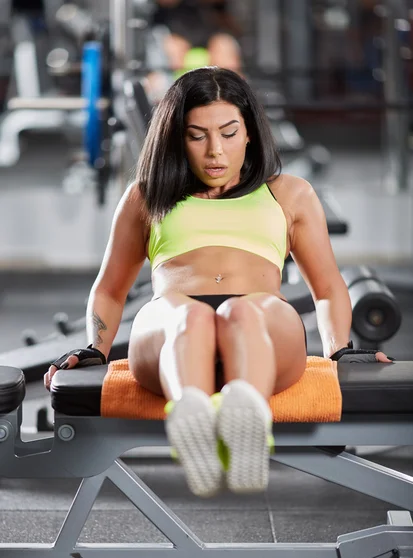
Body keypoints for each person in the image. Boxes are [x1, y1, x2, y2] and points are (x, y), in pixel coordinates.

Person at [44, 67, 392, 499]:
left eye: (228, 133)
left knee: (243, 310)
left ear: (250, 133)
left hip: (263, 328)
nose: (215, 151)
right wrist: (94, 348)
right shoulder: (146, 195)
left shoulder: (289, 193)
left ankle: (244, 411)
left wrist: (340, 352)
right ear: (176, 138)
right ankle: (191, 416)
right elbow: (111, 288)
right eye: (197, 136)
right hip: (172, 330)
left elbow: (326, 287)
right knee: (186, 316)